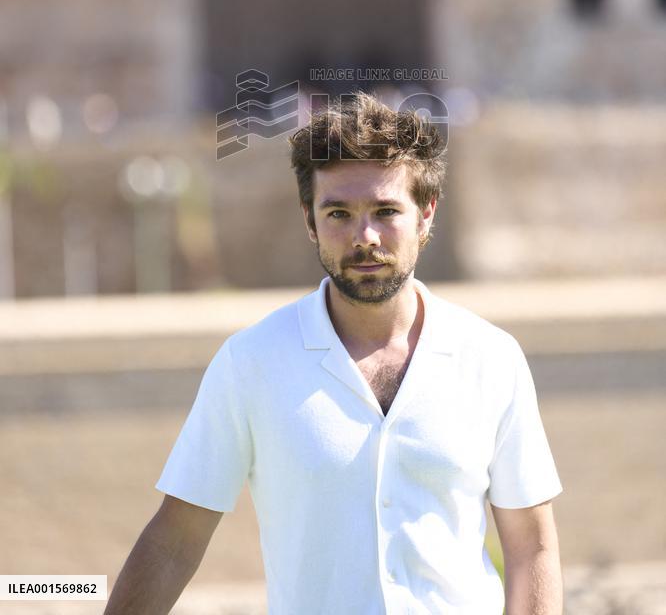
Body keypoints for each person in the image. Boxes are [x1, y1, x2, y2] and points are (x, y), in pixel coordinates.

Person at [104, 92, 563, 615]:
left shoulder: (490, 357)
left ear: (426, 214)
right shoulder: (251, 362)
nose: (363, 237)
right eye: (339, 213)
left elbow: (533, 546)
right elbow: (173, 541)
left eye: (386, 211)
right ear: (309, 219)